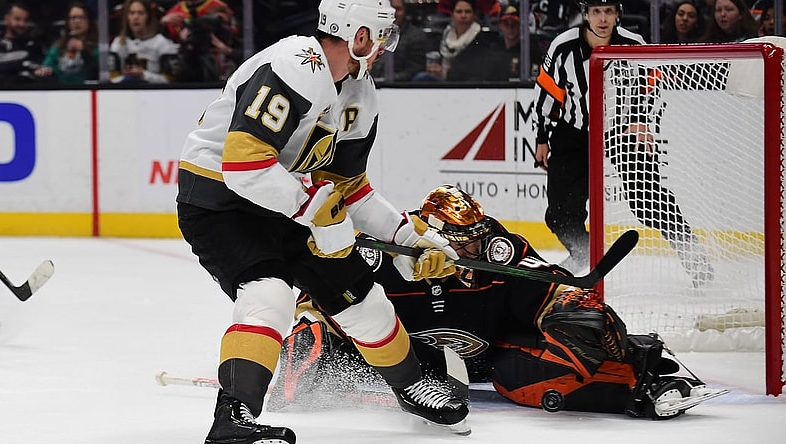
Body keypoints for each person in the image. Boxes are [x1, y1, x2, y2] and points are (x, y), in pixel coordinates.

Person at [175, 1, 470, 442]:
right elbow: (244, 164)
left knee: (361, 300)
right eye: (381, 34)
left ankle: (410, 386)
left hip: (286, 201)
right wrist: (315, 209)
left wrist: (411, 238)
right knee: (269, 294)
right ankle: (233, 417)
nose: (386, 45)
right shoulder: (294, 64)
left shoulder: (360, 93)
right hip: (219, 200)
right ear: (358, 33)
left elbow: (349, 187)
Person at [274, 185, 723, 419]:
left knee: (556, 360)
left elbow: (552, 287)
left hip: (490, 361)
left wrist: (571, 304)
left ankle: (639, 384)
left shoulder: (498, 251)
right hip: (397, 363)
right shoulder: (382, 257)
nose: (475, 251)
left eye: (478, 240)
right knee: (316, 328)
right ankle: (296, 384)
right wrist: (310, 325)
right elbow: (316, 298)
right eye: (462, 244)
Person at [532, 0, 646, 273]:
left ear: (618, 14)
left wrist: (642, 121)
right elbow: (547, 94)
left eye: (608, 11)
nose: (603, 19)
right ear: (586, 15)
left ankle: (695, 258)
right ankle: (587, 255)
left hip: (622, 131)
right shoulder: (563, 46)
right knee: (559, 215)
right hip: (574, 135)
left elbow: (651, 84)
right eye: (596, 12)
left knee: (649, 202)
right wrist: (542, 137)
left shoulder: (634, 45)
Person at [160, 0, 238, 82]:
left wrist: (228, 49)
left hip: (218, 56)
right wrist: (162, 25)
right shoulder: (174, 12)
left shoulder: (218, 7)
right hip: (187, 59)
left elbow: (235, 34)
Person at [109, 0, 179, 84]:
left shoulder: (163, 44)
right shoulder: (118, 43)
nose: (135, 17)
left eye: (140, 13)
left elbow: (170, 80)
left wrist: (143, 75)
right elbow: (112, 78)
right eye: (132, 13)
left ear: (148, 16)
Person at [436, 0, 503, 82]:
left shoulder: (482, 40)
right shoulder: (444, 35)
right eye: (459, 12)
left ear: (474, 15)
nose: (463, 15)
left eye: (467, 12)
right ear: (452, 15)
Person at [33, 1, 98, 84]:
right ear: (68, 22)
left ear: (89, 21)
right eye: (73, 18)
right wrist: (44, 71)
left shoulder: (97, 46)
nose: (77, 21)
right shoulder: (58, 46)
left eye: (82, 17)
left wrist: (84, 51)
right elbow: (47, 66)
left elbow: (98, 71)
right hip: (61, 91)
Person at [371, 0, 429, 81]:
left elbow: (414, 70)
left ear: (405, 11)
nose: (393, 13)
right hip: (373, 85)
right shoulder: (371, 34)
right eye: (390, 9)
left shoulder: (416, 36)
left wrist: (386, 80)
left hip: (403, 88)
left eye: (397, 9)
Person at [0, 1, 44, 86]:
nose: (22, 24)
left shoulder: (33, 46)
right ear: (6, 19)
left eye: (25, 20)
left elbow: (37, 71)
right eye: (17, 19)